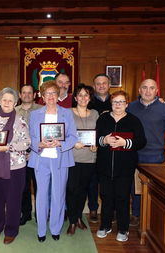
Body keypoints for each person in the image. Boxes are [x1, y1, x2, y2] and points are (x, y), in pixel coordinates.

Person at [28, 80, 78, 242]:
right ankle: (41, 230)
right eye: (47, 93)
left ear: (58, 96)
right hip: (41, 159)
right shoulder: (34, 114)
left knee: (58, 195)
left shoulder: (67, 113)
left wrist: (61, 143)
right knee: (41, 196)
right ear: (42, 96)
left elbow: (73, 137)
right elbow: (30, 138)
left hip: (60, 159)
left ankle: (55, 228)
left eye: (54, 93)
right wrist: (38, 144)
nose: (50, 96)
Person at [127, 78, 165, 226]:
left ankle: (151, 215)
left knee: (153, 189)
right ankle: (136, 214)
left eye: (151, 88)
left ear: (156, 91)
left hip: (154, 156)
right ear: (139, 90)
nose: (148, 91)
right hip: (133, 154)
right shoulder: (131, 107)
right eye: (144, 87)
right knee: (134, 187)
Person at [0, 87, 31, 245]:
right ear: (0, 101)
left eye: (10, 100)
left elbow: (26, 143)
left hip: (14, 168)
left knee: (13, 200)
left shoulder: (20, 120)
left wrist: (8, 147)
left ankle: (11, 230)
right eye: (4, 100)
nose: (7, 103)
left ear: (15, 102)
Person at [96, 90, 146, 242]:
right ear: (111, 104)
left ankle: (123, 229)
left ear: (126, 104)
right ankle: (105, 225)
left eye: (121, 102)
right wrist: (104, 140)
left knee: (122, 198)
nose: (118, 105)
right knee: (106, 197)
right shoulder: (103, 118)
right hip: (104, 166)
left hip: (125, 167)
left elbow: (141, 141)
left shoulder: (133, 120)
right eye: (115, 102)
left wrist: (125, 143)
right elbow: (96, 137)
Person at [66, 83, 99, 235]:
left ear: (90, 98)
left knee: (83, 190)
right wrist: (73, 142)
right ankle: (72, 220)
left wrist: (96, 145)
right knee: (71, 190)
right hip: (72, 157)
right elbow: (62, 134)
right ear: (75, 97)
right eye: (80, 95)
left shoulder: (95, 114)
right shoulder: (67, 113)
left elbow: (97, 134)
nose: (83, 98)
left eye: (86, 95)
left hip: (89, 158)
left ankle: (78, 217)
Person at [87, 73, 112, 223]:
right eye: (98, 84)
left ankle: (109, 209)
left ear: (109, 85)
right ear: (94, 86)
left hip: (111, 147)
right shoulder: (89, 102)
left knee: (108, 181)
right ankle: (93, 208)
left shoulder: (116, 101)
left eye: (104, 83)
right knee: (92, 180)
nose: (101, 86)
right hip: (93, 147)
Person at [15, 84, 42, 225]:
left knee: (39, 186)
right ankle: (26, 214)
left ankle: (40, 214)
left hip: (38, 154)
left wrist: (33, 151)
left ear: (34, 94)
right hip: (19, 156)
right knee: (23, 187)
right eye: (24, 93)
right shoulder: (14, 111)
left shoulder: (41, 110)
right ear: (20, 95)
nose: (26, 95)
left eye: (29, 93)